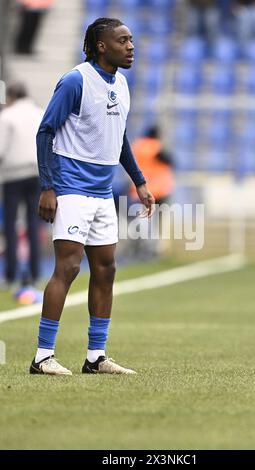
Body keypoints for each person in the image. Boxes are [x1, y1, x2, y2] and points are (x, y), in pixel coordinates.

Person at [29, 18, 155, 376]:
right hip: (71, 188)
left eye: (132, 40)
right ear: (101, 46)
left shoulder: (123, 84)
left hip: (102, 193)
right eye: (123, 40)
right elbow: (46, 130)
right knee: (68, 268)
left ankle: (95, 356)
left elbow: (120, 138)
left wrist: (140, 181)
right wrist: (48, 186)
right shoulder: (75, 81)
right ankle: (42, 356)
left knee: (106, 270)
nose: (131, 46)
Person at [0, 82, 43, 289]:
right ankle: (35, 273)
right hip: (37, 173)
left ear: (11, 97)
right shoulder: (40, 112)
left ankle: (11, 274)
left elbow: (0, 149)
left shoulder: (7, 116)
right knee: (34, 225)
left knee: (10, 225)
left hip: (13, 175)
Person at [129, 125, 174, 259]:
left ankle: (138, 248)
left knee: (141, 220)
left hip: (140, 190)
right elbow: (170, 161)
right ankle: (152, 250)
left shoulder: (137, 146)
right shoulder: (156, 146)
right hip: (159, 191)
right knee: (155, 223)